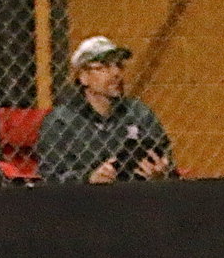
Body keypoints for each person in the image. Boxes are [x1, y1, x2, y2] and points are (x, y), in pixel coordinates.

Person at [36, 36, 175, 183]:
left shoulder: (139, 113)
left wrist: (160, 172)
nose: (116, 73)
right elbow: (50, 176)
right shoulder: (60, 121)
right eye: (105, 66)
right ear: (83, 77)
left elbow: (166, 157)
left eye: (119, 65)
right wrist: (88, 178)